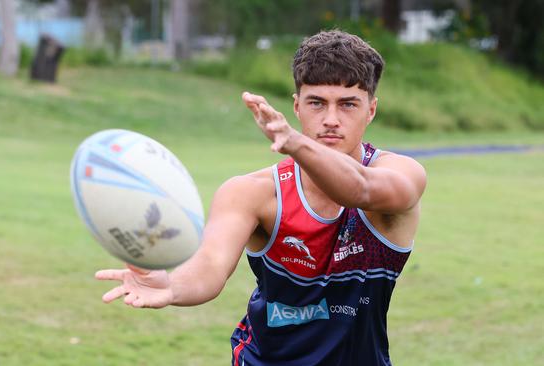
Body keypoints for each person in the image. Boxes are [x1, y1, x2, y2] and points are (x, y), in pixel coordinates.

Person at [95, 30, 427, 365]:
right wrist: (170, 285)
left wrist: (296, 143)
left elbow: (361, 190)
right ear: (296, 106)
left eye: (347, 105)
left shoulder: (401, 174)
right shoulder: (254, 192)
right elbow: (210, 265)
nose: (330, 119)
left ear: (371, 110)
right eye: (316, 103)